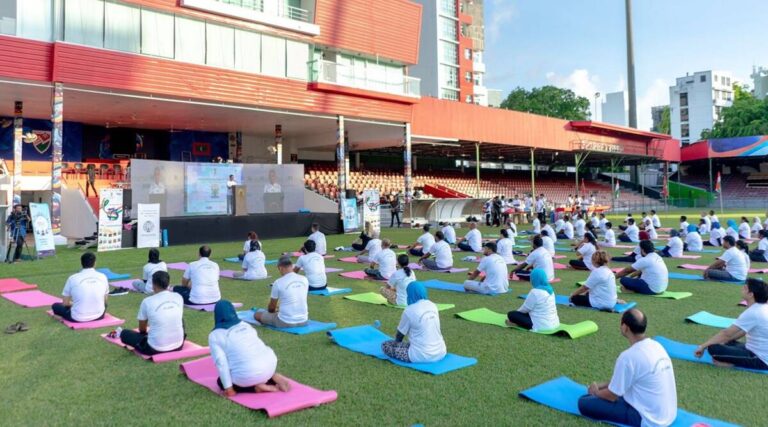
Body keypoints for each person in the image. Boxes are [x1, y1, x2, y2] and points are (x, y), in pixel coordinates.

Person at [578, 309, 677, 427]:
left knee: (584, 402)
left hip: (649, 419)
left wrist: (595, 392)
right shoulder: (657, 346)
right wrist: (601, 385)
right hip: (668, 415)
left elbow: (612, 396)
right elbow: (624, 382)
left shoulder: (628, 356)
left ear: (625, 327)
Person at [209, 300, 291, 395]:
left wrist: (229, 389)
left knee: (220, 382)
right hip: (271, 363)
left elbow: (221, 363)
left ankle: (255, 388)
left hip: (250, 373)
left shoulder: (215, 335)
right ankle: (272, 376)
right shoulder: (245, 325)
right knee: (253, 365)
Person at [694, 278, 768, 370]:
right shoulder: (763, 307)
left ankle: (732, 364)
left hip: (761, 359)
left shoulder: (754, 312)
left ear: (751, 294)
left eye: (745, 288)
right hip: (754, 349)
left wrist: (702, 346)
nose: (742, 288)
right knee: (725, 341)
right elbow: (742, 332)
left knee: (713, 348)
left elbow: (726, 333)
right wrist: (726, 340)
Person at [119, 271, 185, 355]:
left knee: (124, 334)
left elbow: (142, 328)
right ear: (168, 284)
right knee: (178, 318)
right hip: (178, 345)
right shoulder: (178, 297)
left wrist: (144, 334)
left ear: (153, 285)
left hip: (154, 348)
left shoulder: (147, 301)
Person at [381, 282, 447, 363]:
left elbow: (400, 335)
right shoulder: (433, 305)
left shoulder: (409, 310)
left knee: (385, 345)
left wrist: (396, 344)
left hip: (420, 356)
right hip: (441, 351)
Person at [51, 252, 109, 322]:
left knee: (55, 306)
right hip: (99, 315)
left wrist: (72, 304)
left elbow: (65, 303)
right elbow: (105, 301)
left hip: (78, 317)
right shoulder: (103, 276)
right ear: (95, 263)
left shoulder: (73, 278)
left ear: (81, 263)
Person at [254, 257, 308, 328]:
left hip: (285, 321)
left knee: (256, 315)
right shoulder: (304, 279)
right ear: (292, 266)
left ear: (280, 268)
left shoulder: (278, 282)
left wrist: (274, 311)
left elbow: (271, 308)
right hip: (304, 321)